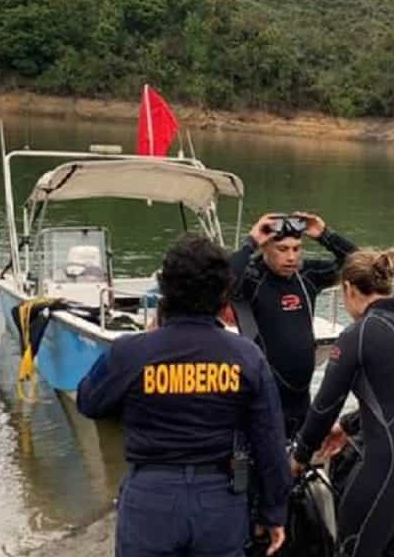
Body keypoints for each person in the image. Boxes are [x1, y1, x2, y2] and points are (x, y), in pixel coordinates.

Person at [76, 235, 290, 557]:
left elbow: (89, 402)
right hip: (219, 498)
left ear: (164, 290)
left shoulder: (131, 353)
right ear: (223, 294)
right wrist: (273, 513)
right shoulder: (246, 356)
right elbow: (270, 441)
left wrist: (145, 342)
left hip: (150, 497)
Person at [290, 248, 394, 557]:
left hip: (393, 467)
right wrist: (348, 426)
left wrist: (299, 457)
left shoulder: (359, 334)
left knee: (353, 549)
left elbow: (324, 407)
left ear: (349, 289)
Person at [230, 212, 357, 436]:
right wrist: (251, 241)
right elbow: (222, 281)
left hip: (301, 400)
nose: (291, 257)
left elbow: (359, 264)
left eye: (296, 249)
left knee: (299, 467)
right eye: (283, 249)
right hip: (263, 399)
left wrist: (325, 235)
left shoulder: (307, 274)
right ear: (266, 247)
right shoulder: (251, 278)